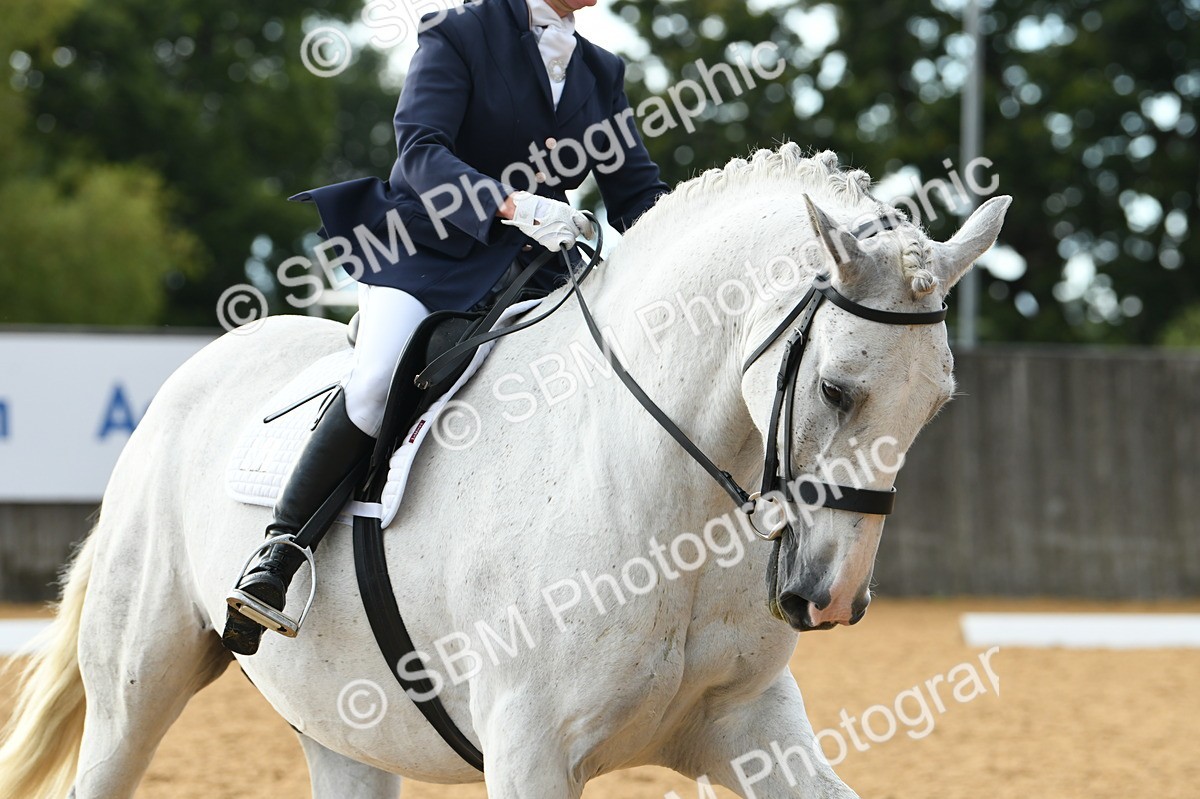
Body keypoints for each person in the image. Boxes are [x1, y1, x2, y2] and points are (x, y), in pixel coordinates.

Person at [222, 0, 669, 654]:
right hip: (430, 250)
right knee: (377, 382)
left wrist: (699, 234)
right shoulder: (458, 34)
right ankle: (280, 552)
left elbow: (636, 193)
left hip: (536, 266)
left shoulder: (601, 71)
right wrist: (510, 204)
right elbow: (422, 154)